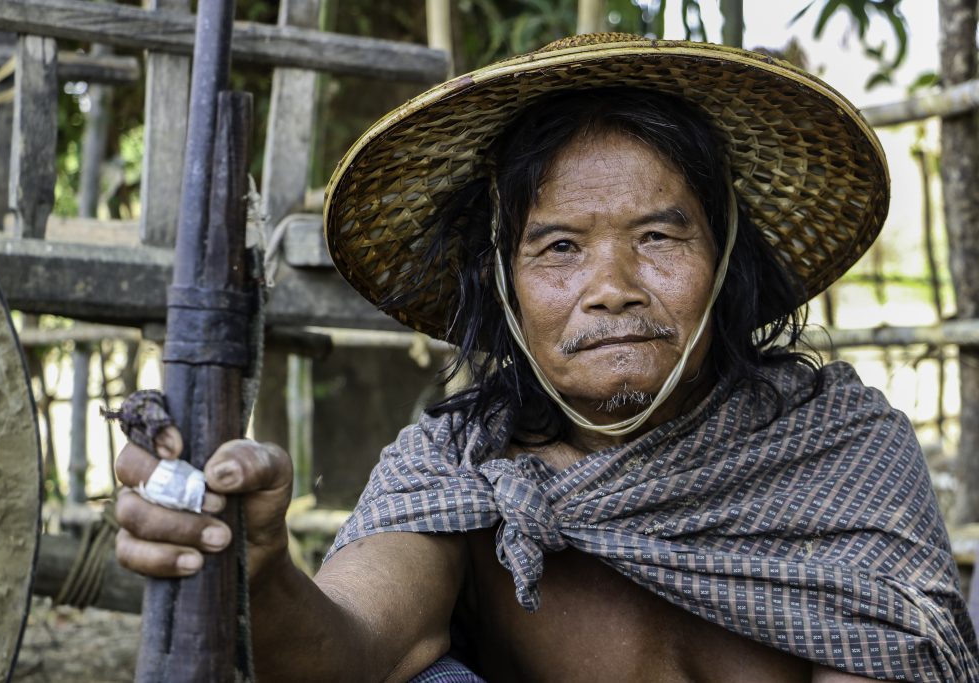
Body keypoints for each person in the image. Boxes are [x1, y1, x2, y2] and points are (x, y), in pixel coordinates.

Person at [114, 35, 979, 681]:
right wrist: (257, 568)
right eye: (560, 246)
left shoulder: (842, 455)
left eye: (659, 235)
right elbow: (353, 649)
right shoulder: (462, 467)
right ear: (505, 281)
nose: (612, 287)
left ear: (725, 259)